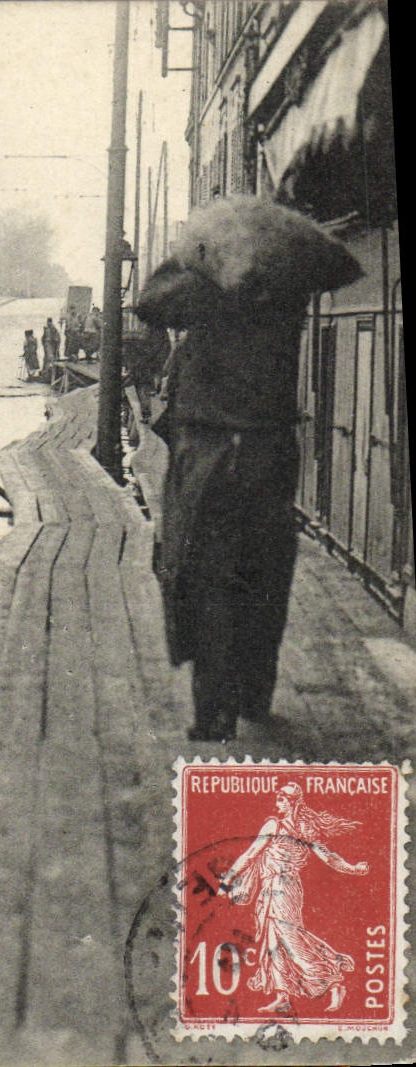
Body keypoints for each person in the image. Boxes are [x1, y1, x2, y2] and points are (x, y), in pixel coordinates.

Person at [138, 271, 313, 741]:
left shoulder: (199, 340)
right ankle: (256, 693)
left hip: (211, 484)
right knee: (265, 590)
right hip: (266, 477)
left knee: (208, 593)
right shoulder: (279, 333)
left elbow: (176, 417)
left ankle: (215, 711)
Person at [218, 783, 368, 1014]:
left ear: (290, 802)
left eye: (280, 800)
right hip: (276, 887)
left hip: (282, 888)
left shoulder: (276, 825)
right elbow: (330, 859)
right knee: (273, 941)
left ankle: (332, 981)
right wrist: (353, 868)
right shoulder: (304, 828)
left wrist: (227, 880)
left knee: (290, 939)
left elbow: (250, 854)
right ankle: (283, 996)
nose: (276, 804)